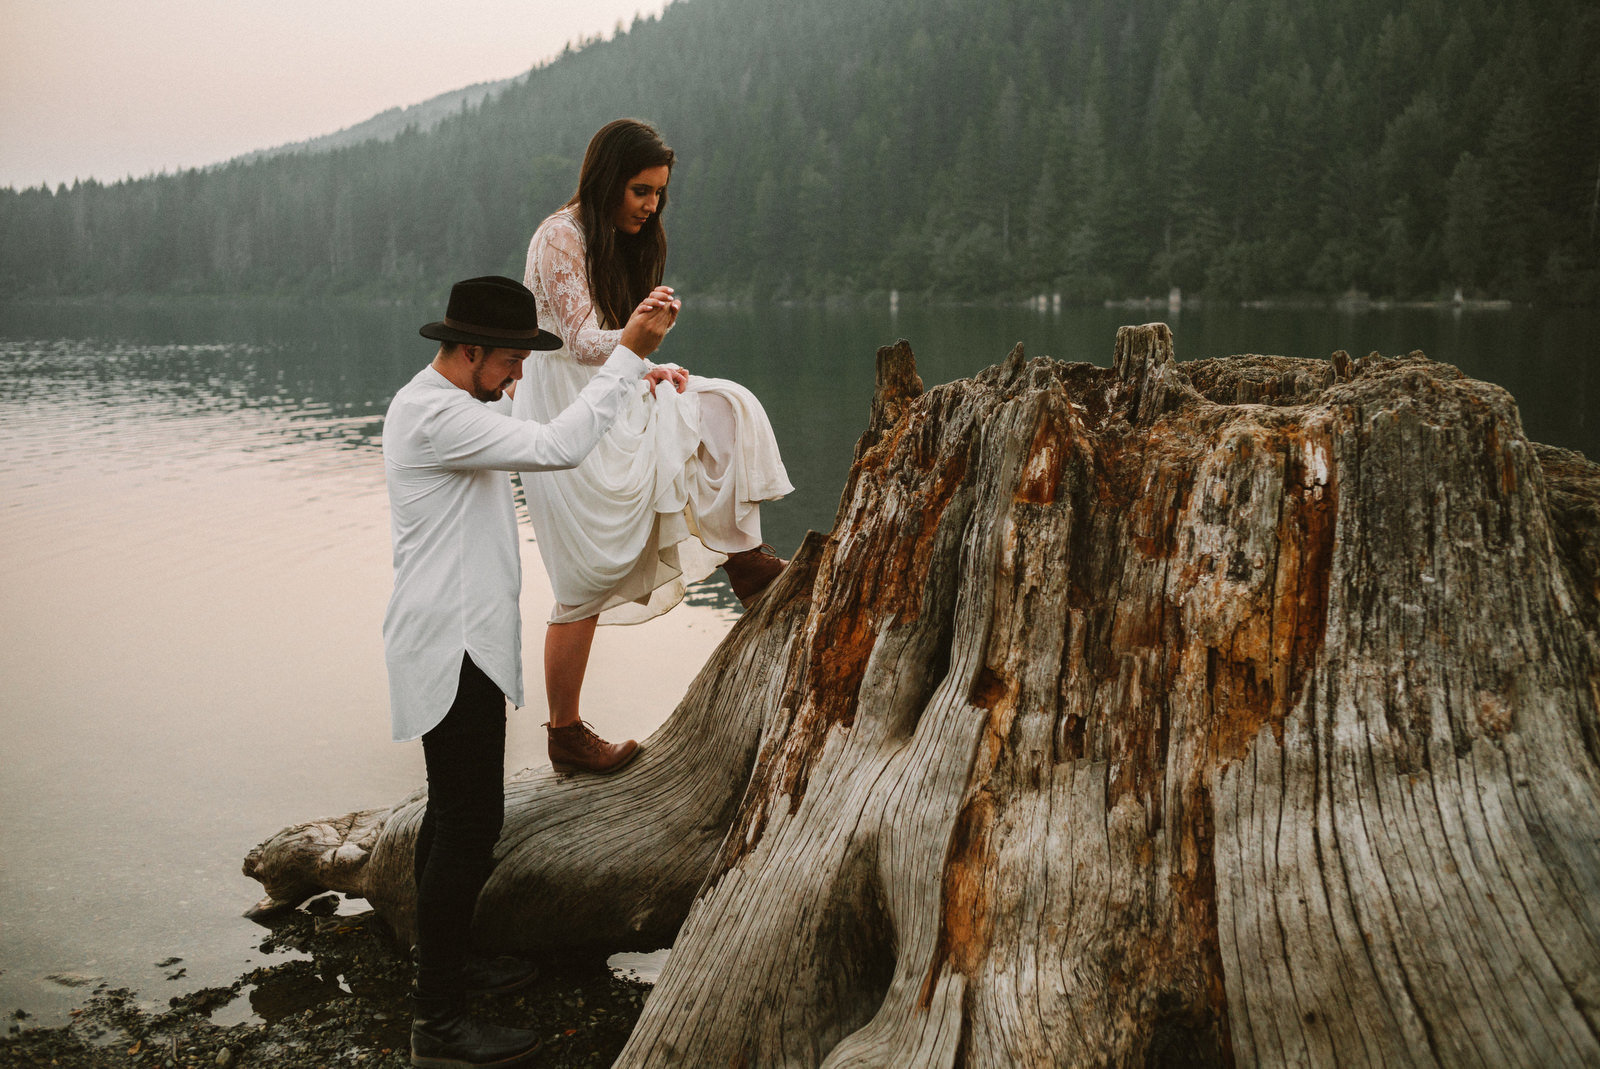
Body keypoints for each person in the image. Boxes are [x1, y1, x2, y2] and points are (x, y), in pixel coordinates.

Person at [383, 274, 680, 1068]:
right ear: (472, 351)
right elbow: (556, 446)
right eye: (511, 361)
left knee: (454, 817)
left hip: (459, 640)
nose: (518, 377)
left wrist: (636, 379)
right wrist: (627, 354)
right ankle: (437, 1020)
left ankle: (447, 963)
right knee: (470, 824)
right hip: (449, 646)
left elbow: (533, 419)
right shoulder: (434, 415)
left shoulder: (455, 404)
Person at [512, 119, 793, 776]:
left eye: (659, 193)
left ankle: (745, 560)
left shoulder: (614, 240)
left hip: (612, 387)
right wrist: (638, 344)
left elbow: (606, 346)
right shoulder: (559, 236)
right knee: (581, 578)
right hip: (568, 407)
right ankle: (565, 733)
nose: (651, 205)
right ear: (609, 178)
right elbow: (581, 342)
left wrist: (644, 364)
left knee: (724, 407)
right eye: (641, 190)